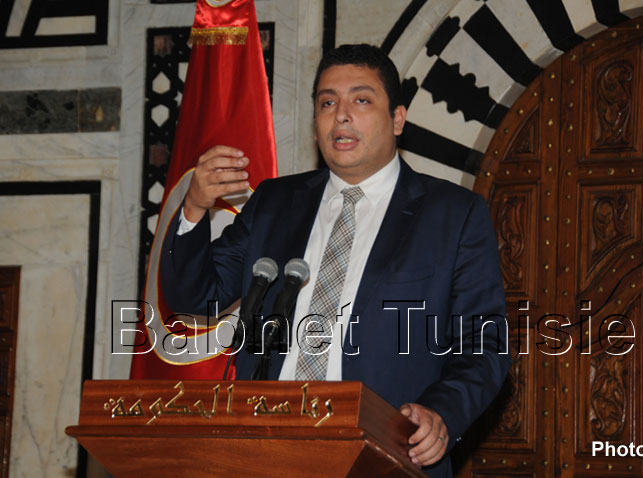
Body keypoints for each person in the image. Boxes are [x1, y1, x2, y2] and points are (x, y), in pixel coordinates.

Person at [161, 44, 510, 477]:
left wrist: (442, 414)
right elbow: (194, 299)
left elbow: (484, 344)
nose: (341, 115)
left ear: (397, 119)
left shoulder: (453, 214)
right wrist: (195, 208)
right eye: (327, 103)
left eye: (361, 100)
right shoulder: (274, 203)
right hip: (264, 451)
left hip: (386, 455)